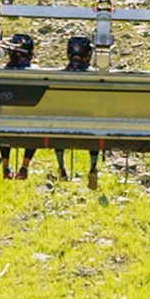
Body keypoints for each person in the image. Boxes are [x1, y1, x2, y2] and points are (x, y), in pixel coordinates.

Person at [55, 35, 102, 190]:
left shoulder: (59, 75)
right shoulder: (94, 76)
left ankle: (61, 166)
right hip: (89, 121)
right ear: (88, 54)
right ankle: (93, 165)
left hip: (63, 120)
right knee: (95, 130)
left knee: (57, 130)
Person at [0, 33, 36, 179]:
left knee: (2, 129)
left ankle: (5, 165)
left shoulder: (3, 72)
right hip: (30, 119)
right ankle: (24, 166)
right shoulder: (35, 72)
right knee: (36, 130)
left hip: (6, 117)